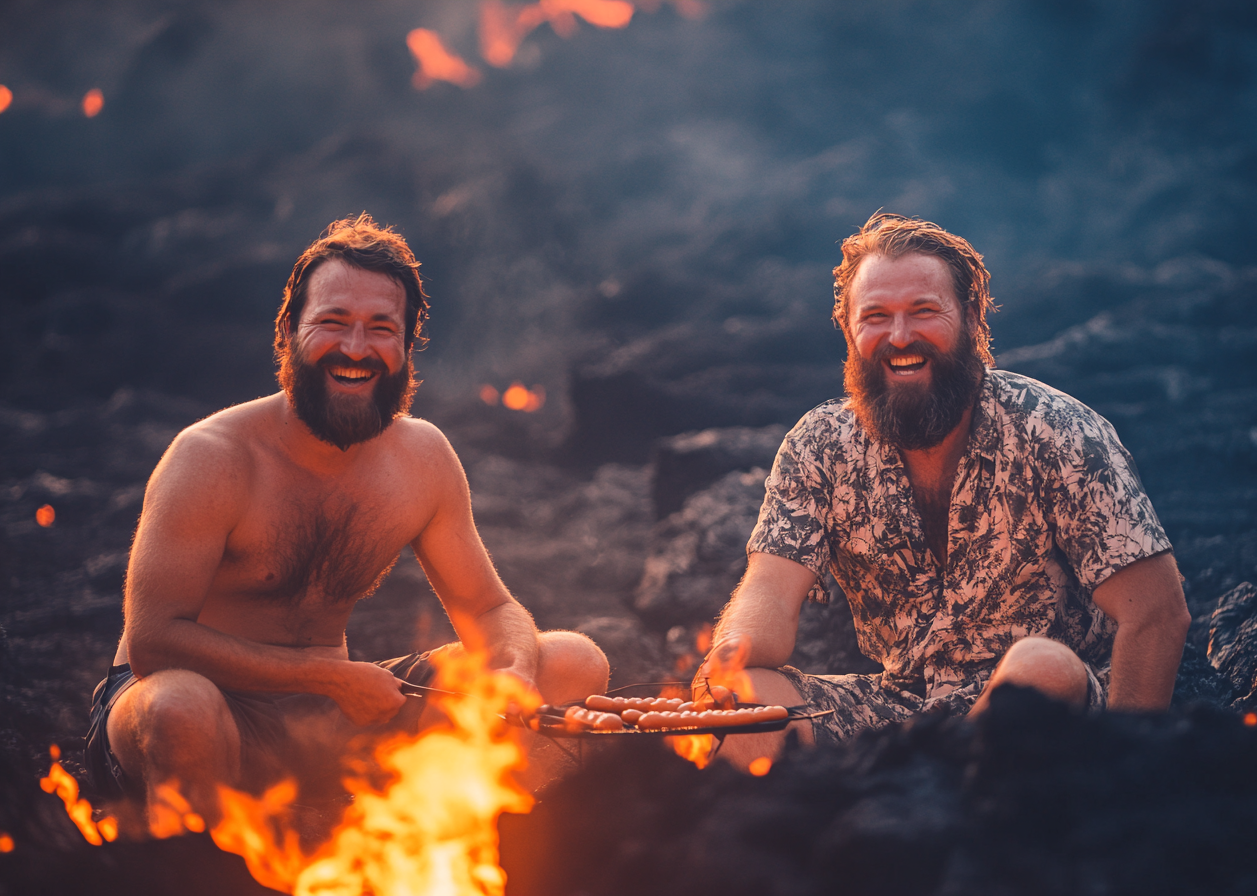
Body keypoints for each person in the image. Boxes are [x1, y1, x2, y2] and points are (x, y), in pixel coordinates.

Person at [85, 214, 608, 821]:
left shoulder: (422, 458)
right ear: (288, 332)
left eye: (381, 329)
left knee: (572, 663)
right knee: (181, 709)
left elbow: (492, 610)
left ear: (408, 347)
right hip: (201, 712)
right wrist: (330, 678)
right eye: (332, 323)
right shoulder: (212, 459)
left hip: (331, 723)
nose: (356, 349)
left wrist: (512, 670)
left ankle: (458, 856)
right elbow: (153, 642)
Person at [699, 212, 1190, 765]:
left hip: (1052, 724)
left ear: (972, 318)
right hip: (901, 712)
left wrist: (1128, 774)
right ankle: (858, 818)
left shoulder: (1058, 433)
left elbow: (1157, 612)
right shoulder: (819, 445)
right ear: (848, 329)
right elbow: (768, 589)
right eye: (876, 317)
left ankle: (941, 804)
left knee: (1039, 668)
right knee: (740, 697)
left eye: (924, 312)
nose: (900, 336)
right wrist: (729, 655)